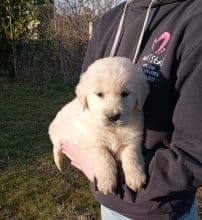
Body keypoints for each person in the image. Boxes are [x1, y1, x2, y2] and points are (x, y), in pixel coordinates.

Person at [61, 0, 202, 219]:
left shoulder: (195, 20)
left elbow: (195, 150)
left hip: (160, 210)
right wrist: (96, 158)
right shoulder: (109, 21)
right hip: (107, 201)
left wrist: (114, 177)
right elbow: (85, 103)